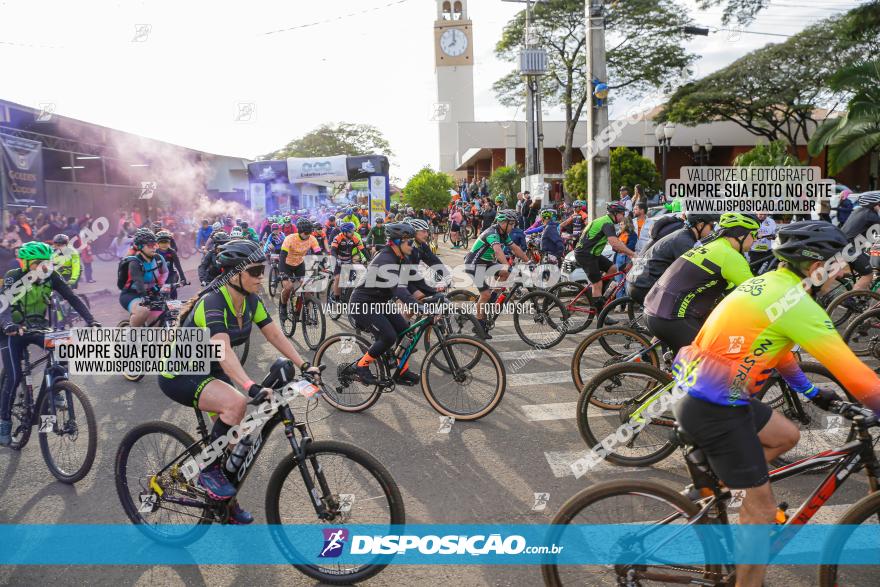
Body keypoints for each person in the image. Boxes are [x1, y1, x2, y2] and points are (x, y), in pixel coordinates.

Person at [671, 221, 880, 587]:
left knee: (785, 435)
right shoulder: (798, 304)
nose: (846, 270)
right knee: (764, 509)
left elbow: (777, 350)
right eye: (840, 262)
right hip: (715, 405)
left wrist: (813, 393)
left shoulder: (769, 285)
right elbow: (859, 378)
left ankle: (722, 479)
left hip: (704, 392)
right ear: (816, 266)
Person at [158, 239, 320, 520]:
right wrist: (249, 386)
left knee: (238, 441)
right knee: (236, 405)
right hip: (181, 370)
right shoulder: (213, 302)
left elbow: (274, 334)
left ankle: (223, 505)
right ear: (235, 274)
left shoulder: (250, 301)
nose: (262, 277)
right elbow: (223, 350)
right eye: (256, 271)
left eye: (263, 270)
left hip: (210, 369)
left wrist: (304, 363)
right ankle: (206, 471)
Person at [0, 242, 99, 445]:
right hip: (11, 330)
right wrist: (8, 323)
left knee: (61, 348)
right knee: (15, 375)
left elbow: (72, 298)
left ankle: (55, 393)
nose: (43, 267)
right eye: (38, 263)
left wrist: (91, 320)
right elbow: (5, 305)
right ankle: (4, 421)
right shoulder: (14, 276)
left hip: (38, 328)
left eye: (47, 262)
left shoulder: (51, 276)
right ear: (26, 263)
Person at [644, 213, 759, 355]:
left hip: (654, 311)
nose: (756, 239)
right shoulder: (731, 256)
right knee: (712, 360)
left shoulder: (712, 246)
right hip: (671, 318)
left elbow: (725, 287)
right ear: (741, 235)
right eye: (754, 234)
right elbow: (757, 293)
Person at [349, 223, 424, 386]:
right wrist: (418, 306)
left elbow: (411, 283)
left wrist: (434, 296)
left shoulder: (400, 258)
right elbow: (399, 289)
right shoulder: (385, 259)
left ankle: (402, 371)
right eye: (408, 242)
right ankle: (361, 366)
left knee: (405, 332)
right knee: (388, 336)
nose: (411, 245)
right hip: (363, 304)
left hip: (380, 302)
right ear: (397, 242)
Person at [465, 210, 532, 338]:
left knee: (504, 274)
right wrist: (508, 266)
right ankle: (478, 327)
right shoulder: (492, 233)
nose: (512, 227)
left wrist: (528, 261)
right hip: (474, 264)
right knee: (485, 294)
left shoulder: (503, 234)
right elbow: (498, 252)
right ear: (502, 222)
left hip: (486, 263)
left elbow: (515, 248)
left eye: (513, 224)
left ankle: (493, 297)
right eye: (511, 224)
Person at [626, 213, 718, 304]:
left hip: (637, 282)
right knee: (683, 307)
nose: (713, 231)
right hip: (643, 286)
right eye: (711, 226)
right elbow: (694, 272)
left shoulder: (683, 235)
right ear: (700, 225)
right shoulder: (684, 242)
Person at [574, 202, 635, 312]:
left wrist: (623, 250)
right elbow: (614, 243)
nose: (623, 217)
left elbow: (615, 244)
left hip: (592, 254)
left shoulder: (604, 220)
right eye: (622, 213)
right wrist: (632, 254)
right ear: (615, 213)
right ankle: (600, 314)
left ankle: (599, 297)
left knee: (613, 269)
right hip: (586, 255)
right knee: (597, 283)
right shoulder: (607, 223)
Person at [119, 229, 170, 328]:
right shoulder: (134, 262)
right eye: (150, 245)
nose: (154, 248)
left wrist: (160, 285)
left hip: (151, 292)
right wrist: (145, 297)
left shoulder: (159, 259)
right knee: (143, 311)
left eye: (155, 244)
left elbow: (165, 272)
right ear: (141, 246)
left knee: (160, 317)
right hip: (131, 294)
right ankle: (130, 336)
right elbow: (139, 282)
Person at [279, 219, 322, 321]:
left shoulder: (312, 239)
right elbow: (282, 256)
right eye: (306, 233)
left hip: (299, 264)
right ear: (300, 231)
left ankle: (300, 312)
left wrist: (326, 267)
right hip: (286, 265)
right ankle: (283, 307)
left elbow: (318, 254)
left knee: (308, 288)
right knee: (288, 287)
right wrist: (282, 273)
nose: (308, 235)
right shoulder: (290, 239)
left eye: (310, 232)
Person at [840, 191, 880, 291]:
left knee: (867, 263)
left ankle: (860, 291)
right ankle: (852, 298)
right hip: (850, 249)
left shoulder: (858, 211)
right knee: (869, 275)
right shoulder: (871, 216)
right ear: (875, 204)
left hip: (844, 245)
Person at [403, 218, 449, 300]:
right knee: (421, 298)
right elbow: (410, 272)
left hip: (413, 279)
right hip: (403, 280)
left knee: (433, 299)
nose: (427, 235)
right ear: (413, 232)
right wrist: (429, 288)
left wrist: (446, 276)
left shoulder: (421, 245)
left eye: (427, 232)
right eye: (423, 231)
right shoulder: (407, 246)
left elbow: (433, 261)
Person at [155, 230, 188, 297]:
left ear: (169, 242)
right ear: (157, 243)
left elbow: (178, 266)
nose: (164, 244)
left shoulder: (172, 252)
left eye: (166, 242)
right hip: (158, 277)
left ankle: (174, 301)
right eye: (161, 242)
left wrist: (183, 278)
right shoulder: (154, 253)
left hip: (171, 275)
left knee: (172, 291)